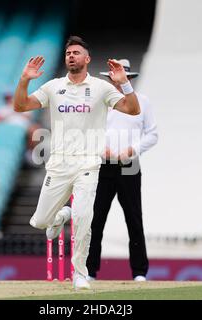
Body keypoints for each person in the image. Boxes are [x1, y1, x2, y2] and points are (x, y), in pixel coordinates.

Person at [14, 36, 141, 290]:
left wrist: (124, 83)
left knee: (84, 219)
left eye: (76, 52)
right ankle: (61, 214)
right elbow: (20, 106)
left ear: (87, 59)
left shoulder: (100, 88)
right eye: (68, 53)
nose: (71, 56)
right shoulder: (53, 87)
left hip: (88, 164)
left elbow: (132, 109)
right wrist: (25, 79)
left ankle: (80, 274)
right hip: (58, 164)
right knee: (40, 222)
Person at [86, 59, 158, 281]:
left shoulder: (142, 102)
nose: (116, 82)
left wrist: (132, 150)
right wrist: (101, 149)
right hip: (103, 166)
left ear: (129, 78)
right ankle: (89, 270)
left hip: (129, 165)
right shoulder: (99, 103)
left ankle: (139, 272)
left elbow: (152, 134)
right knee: (95, 219)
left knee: (134, 219)